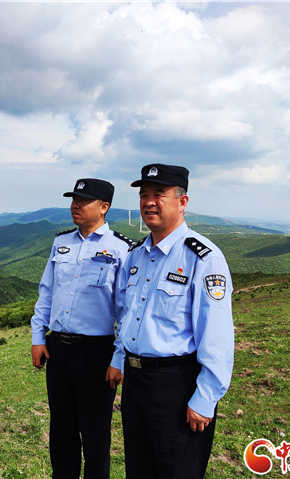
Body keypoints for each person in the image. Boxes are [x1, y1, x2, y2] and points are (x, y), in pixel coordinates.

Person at [110, 164, 234, 479]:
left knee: (177, 471)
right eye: (143, 195)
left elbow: (217, 336)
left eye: (158, 194)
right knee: (139, 470)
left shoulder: (202, 258)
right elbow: (128, 315)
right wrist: (119, 359)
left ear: (182, 202)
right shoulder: (135, 255)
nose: (148, 202)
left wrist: (205, 398)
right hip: (136, 385)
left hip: (177, 386)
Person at [31, 178, 134, 479]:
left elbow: (127, 311)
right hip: (59, 349)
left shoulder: (122, 250)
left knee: (96, 434)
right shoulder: (61, 243)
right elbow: (46, 293)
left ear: (104, 208)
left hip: (97, 353)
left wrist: (119, 358)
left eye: (84, 200)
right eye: (74, 199)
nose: (75, 205)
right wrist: (38, 337)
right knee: (61, 431)